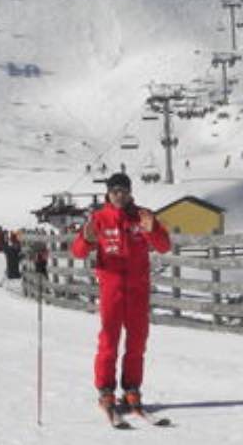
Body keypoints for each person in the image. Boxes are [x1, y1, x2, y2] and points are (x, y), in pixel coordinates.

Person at [71, 172, 171, 413]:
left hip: (138, 289)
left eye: (124, 191)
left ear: (130, 192)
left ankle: (131, 389)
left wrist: (153, 228)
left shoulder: (143, 216)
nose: (119, 195)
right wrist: (85, 239)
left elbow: (164, 246)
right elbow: (78, 252)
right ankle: (106, 390)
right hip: (111, 290)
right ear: (108, 193)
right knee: (109, 340)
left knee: (137, 341)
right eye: (115, 191)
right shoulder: (99, 218)